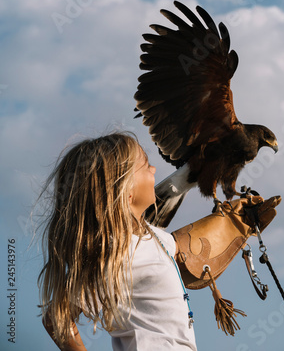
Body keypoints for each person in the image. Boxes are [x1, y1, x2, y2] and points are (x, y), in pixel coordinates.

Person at [38, 132, 197, 350]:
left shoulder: (159, 238)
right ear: (126, 190)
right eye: (146, 165)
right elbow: (57, 317)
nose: (154, 169)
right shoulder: (117, 251)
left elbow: (188, 248)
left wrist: (237, 220)